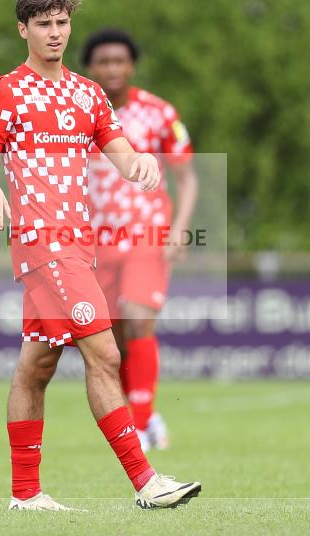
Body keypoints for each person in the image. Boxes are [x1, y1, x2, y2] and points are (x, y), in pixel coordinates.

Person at [0, 0, 201, 511]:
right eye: (43, 24)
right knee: (105, 351)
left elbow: (123, 155)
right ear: (23, 29)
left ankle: (25, 494)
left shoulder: (88, 94)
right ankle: (146, 482)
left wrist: (142, 163)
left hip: (79, 244)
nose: (55, 33)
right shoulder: (2, 94)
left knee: (36, 367)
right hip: (41, 244)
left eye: (61, 23)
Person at [82, 29, 198, 452]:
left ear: (131, 66)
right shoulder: (78, 110)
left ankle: (142, 422)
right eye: (103, 62)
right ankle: (140, 410)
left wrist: (180, 226)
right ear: (91, 67)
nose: (111, 69)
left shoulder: (159, 113)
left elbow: (186, 177)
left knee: (138, 316)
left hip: (148, 231)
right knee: (112, 340)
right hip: (96, 239)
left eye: (119, 61)